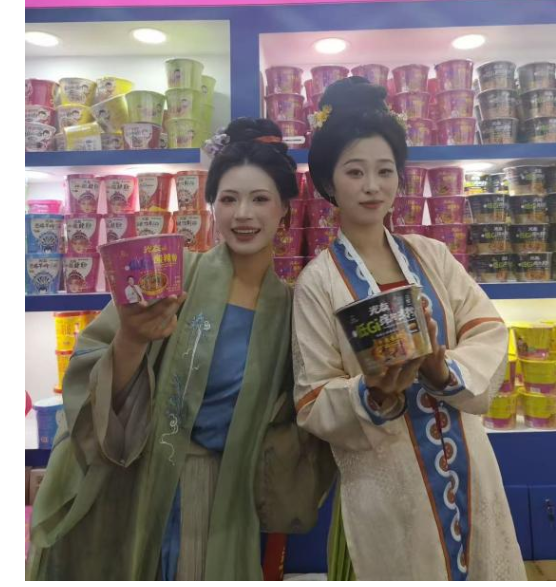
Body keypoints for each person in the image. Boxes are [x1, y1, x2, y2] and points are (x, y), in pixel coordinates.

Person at [28, 118, 334, 581]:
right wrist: (131, 340)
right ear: (212, 207)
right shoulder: (168, 275)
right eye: (228, 199)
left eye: (259, 199)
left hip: (225, 498)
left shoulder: (292, 309)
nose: (243, 214)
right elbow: (89, 380)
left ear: (285, 212)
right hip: (138, 483)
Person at [292, 77, 526, 581]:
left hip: (469, 466)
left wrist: (443, 372)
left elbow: (487, 330)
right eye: (355, 171)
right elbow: (311, 399)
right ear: (329, 182)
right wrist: (372, 391)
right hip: (384, 488)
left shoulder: (432, 255)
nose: (372, 186)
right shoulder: (317, 282)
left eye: (385, 170)